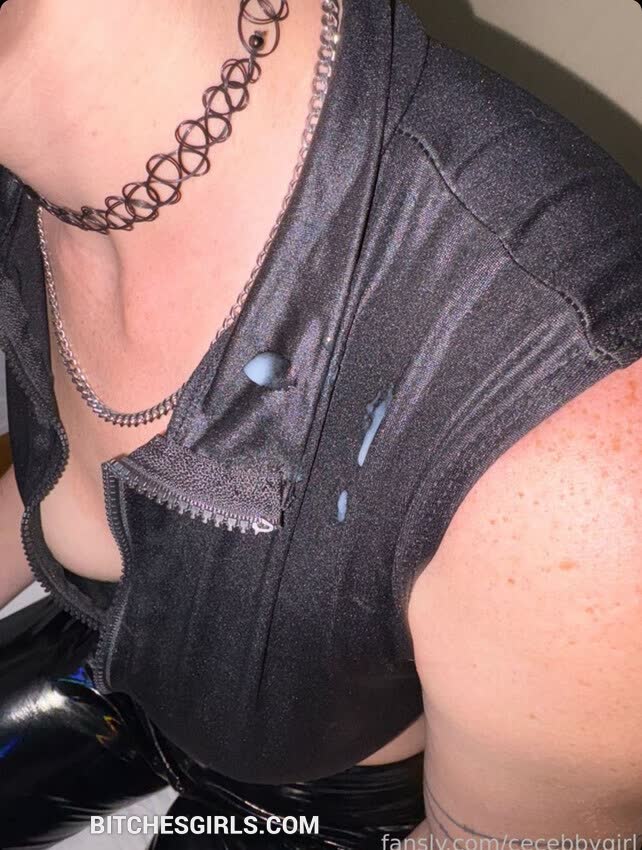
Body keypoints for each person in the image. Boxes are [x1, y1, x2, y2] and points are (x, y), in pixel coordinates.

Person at [0, 0, 640, 847]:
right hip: (106, 643)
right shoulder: (45, 167)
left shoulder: (572, 464)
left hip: (318, 799)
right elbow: (54, 481)